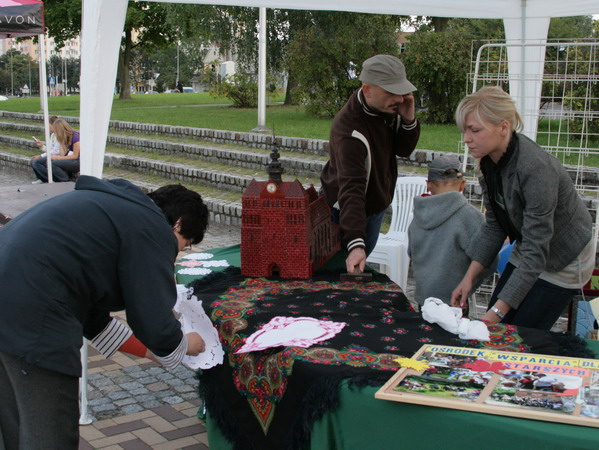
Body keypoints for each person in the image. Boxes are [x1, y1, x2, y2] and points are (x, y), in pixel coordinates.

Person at [0, 176, 209, 449]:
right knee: (48, 431)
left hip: (10, 295)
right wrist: (182, 346)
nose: (179, 251)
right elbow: (154, 321)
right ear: (178, 224)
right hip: (34, 317)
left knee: (13, 423)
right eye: (186, 242)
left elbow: (93, 320)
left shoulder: (113, 208)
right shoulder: (152, 227)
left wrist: (152, 354)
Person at [451, 86, 594, 330]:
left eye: (474, 130)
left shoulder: (536, 169)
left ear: (503, 127)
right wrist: (468, 278)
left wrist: (496, 312)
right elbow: (496, 225)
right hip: (530, 247)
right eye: (465, 130)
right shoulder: (488, 163)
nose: (466, 138)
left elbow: (537, 251)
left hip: (565, 258)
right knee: (498, 327)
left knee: (521, 336)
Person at [320, 54, 420, 274]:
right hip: (346, 212)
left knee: (353, 271)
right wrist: (356, 241)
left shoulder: (386, 109)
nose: (400, 99)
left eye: (401, 91)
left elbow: (403, 149)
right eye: (392, 92)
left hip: (375, 205)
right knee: (339, 275)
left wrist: (408, 120)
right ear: (367, 89)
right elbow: (351, 189)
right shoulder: (350, 131)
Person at [408, 154, 491, 305]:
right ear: (462, 185)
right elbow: (488, 258)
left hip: (424, 301)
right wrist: (470, 284)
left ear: (429, 184)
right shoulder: (469, 217)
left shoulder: (418, 216)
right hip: (456, 302)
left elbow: (411, 252)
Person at [30, 118, 81, 183]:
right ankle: (56, 180)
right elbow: (63, 154)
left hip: (78, 162)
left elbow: (75, 156)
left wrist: (57, 158)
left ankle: (66, 181)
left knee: (52, 164)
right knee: (46, 162)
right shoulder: (65, 137)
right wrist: (62, 143)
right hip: (71, 159)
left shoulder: (75, 137)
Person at [30, 115, 61, 184]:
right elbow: (50, 149)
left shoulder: (59, 135)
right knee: (33, 160)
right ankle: (41, 178)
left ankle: (49, 179)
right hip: (52, 155)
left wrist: (41, 156)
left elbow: (56, 151)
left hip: (58, 156)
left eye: (49, 126)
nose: (48, 128)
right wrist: (41, 146)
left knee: (37, 162)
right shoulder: (53, 135)